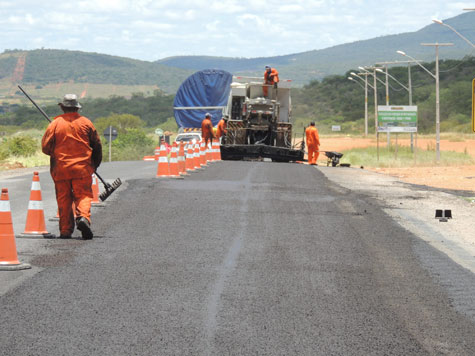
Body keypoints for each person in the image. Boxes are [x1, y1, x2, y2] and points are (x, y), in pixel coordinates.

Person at [42, 94, 102, 239]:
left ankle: (65, 231)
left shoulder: (55, 124)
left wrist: (57, 153)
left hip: (61, 169)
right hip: (82, 168)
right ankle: (83, 218)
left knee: (63, 199)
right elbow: (97, 145)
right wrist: (94, 164)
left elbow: (45, 147)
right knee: (83, 195)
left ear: (62, 107)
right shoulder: (86, 123)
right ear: (77, 107)